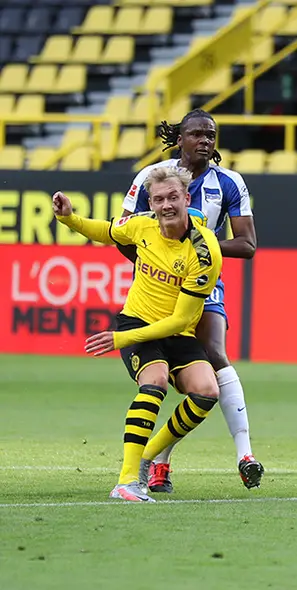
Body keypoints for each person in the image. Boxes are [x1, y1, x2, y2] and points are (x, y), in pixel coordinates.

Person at [53, 166, 224, 503]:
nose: (166, 205)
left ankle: (148, 455)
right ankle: (127, 481)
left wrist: (118, 340)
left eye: (173, 197)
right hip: (136, 321)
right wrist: (69, 218)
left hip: (176, 330)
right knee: (155, 380)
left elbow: (179, 320)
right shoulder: (142, 224)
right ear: (151, 203)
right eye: (159, 199)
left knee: (207, 391)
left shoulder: (205, 251)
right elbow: (108, 231)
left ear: (187, 198)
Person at [120, 108, 263, 492]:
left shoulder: (229, 182)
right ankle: (158, 461)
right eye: (197, 134)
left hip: (202, 282)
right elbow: (122, 231)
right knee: (170, 377)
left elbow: (248, 244)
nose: (205, 141)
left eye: (211, 135)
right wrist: (156, 264)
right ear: (180, 139)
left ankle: (245, 455)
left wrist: (198, 247)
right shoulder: (152, 176)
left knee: (213, 357)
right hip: (158, 287)